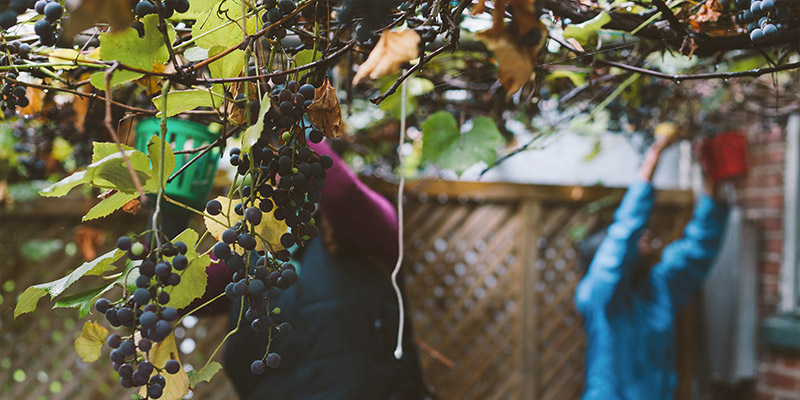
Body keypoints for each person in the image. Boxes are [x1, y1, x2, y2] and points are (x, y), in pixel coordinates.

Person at [198, 140, 429, 400]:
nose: (279, 173)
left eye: (288, 160)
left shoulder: (368, 226)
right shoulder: (251, 251)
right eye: (272, 164)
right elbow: (178, 290)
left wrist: (291, 116)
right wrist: (169, 209)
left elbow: (340, 192)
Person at [574, 130, 730, 400]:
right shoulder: (598, 296)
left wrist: (713, 183)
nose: (645, 234)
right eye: (639, 236)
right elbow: (623, 236)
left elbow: (697, 250)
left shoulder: (657, 288)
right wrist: (654, 156)